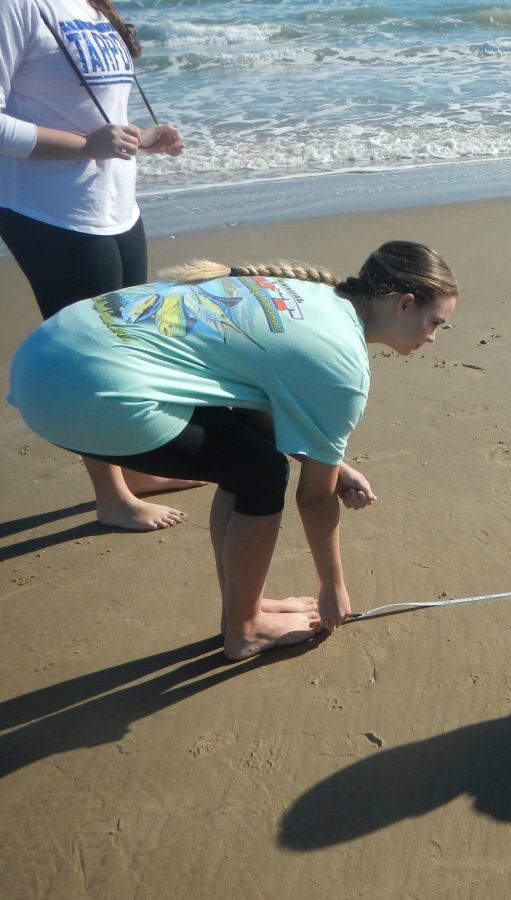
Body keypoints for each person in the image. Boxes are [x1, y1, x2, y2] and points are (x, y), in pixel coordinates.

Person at [7, 241, 459, 659]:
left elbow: (260, 410)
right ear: (403, 303)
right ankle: (245, 629)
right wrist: (332, 588)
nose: (433, 337)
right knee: (261, 473)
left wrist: (334, 463)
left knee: (249, 456)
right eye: (435, 323)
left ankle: (244, 604)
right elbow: (314, 499)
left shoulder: (308, 292)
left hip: (50, 352)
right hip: (79, 396)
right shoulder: (343, 363)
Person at [1, 0, 192, 531]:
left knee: (130, 341)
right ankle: (112, 497)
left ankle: (134, 467)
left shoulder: (91, 4)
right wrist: (86, 145)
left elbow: (92, 109)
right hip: (48, 210)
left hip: (113, 204)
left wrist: (142, 138)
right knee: (92, 357)